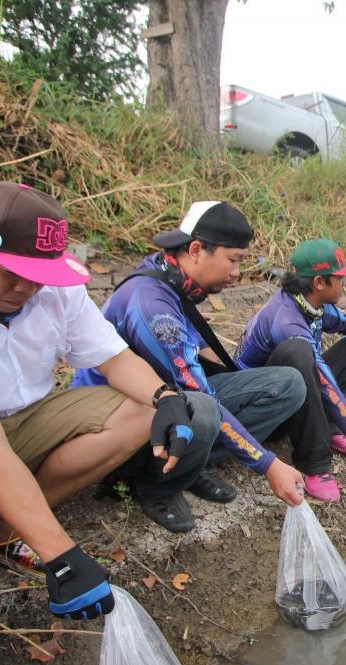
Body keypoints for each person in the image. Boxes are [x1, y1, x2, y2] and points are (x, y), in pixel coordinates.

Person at [0, 182, 202, 622]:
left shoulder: (52, 289)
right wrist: (61, 555)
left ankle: (0, 530)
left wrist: (167, 398)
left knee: (140, 412)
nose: (27, 287)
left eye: (39, 275)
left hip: (25, 420)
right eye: (10, 272)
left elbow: (115, 358)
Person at [74, 201, 306, 530]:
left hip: (163, 397)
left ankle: (191, 464)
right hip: (116, 416)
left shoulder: (174, 276)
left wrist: (247, 381)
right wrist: (268, 464)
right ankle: (153, 484)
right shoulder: (153, 305)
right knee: (203, 409)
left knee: (287, 385)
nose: (237, 273)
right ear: (196, 249)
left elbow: (200, 355)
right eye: (233, 260)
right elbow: (197, 390)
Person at [235, 239, 346, 502]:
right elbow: (324, 384)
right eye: (340, 278)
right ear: (320, 283)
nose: (345, 283)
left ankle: (332, 427)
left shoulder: (310, 303)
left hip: (295, 393)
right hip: (266, 412)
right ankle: (314, 464)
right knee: (300, 357)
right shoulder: (288, 320)